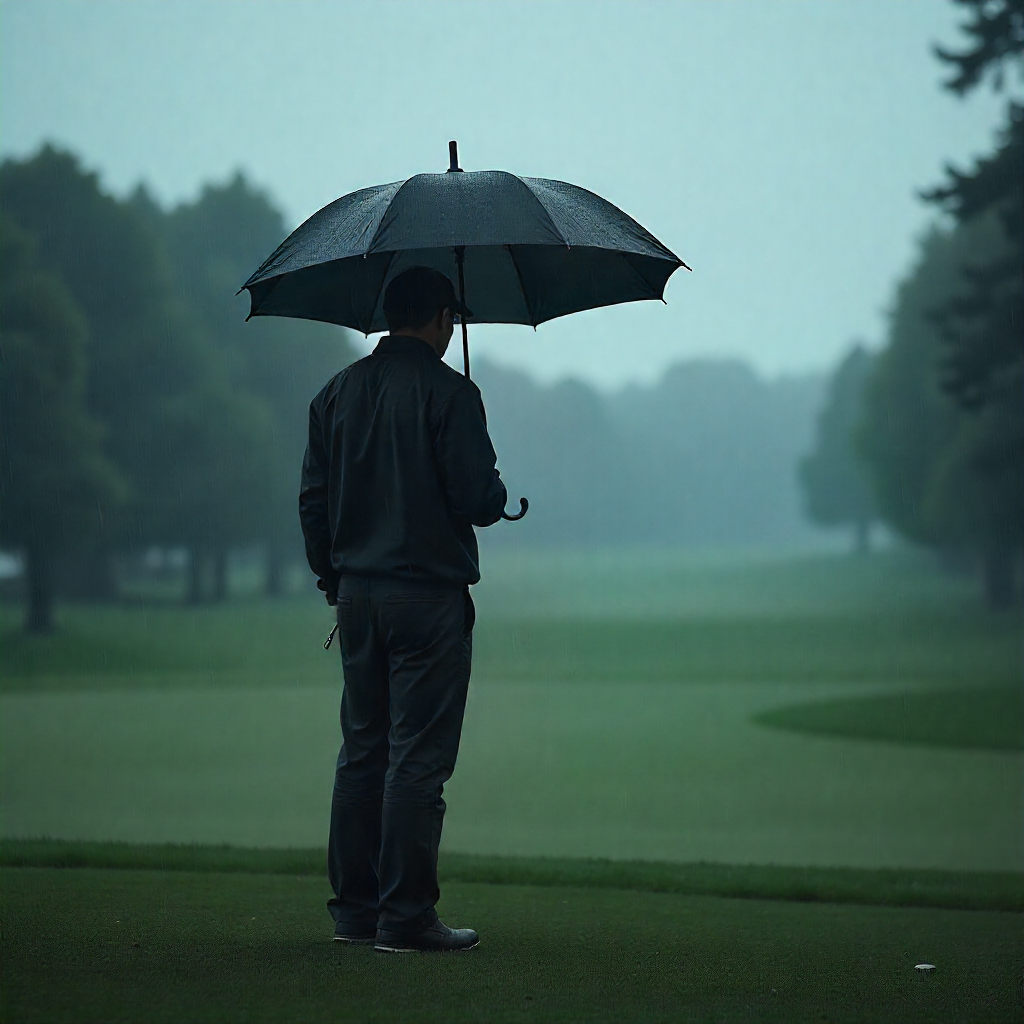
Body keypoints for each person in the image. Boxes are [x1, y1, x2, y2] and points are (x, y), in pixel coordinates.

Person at [299, 265, 507, 953]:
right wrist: (494, 483)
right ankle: (406, 917)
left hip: (356, 597)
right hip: (428, 599)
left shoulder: (334, 394)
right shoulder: (453, 394)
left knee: (363, 752)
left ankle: (355, 915)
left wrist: (333, 580)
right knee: (416, 759)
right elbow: (479, 499)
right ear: (443, 318)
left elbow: (313, 502)